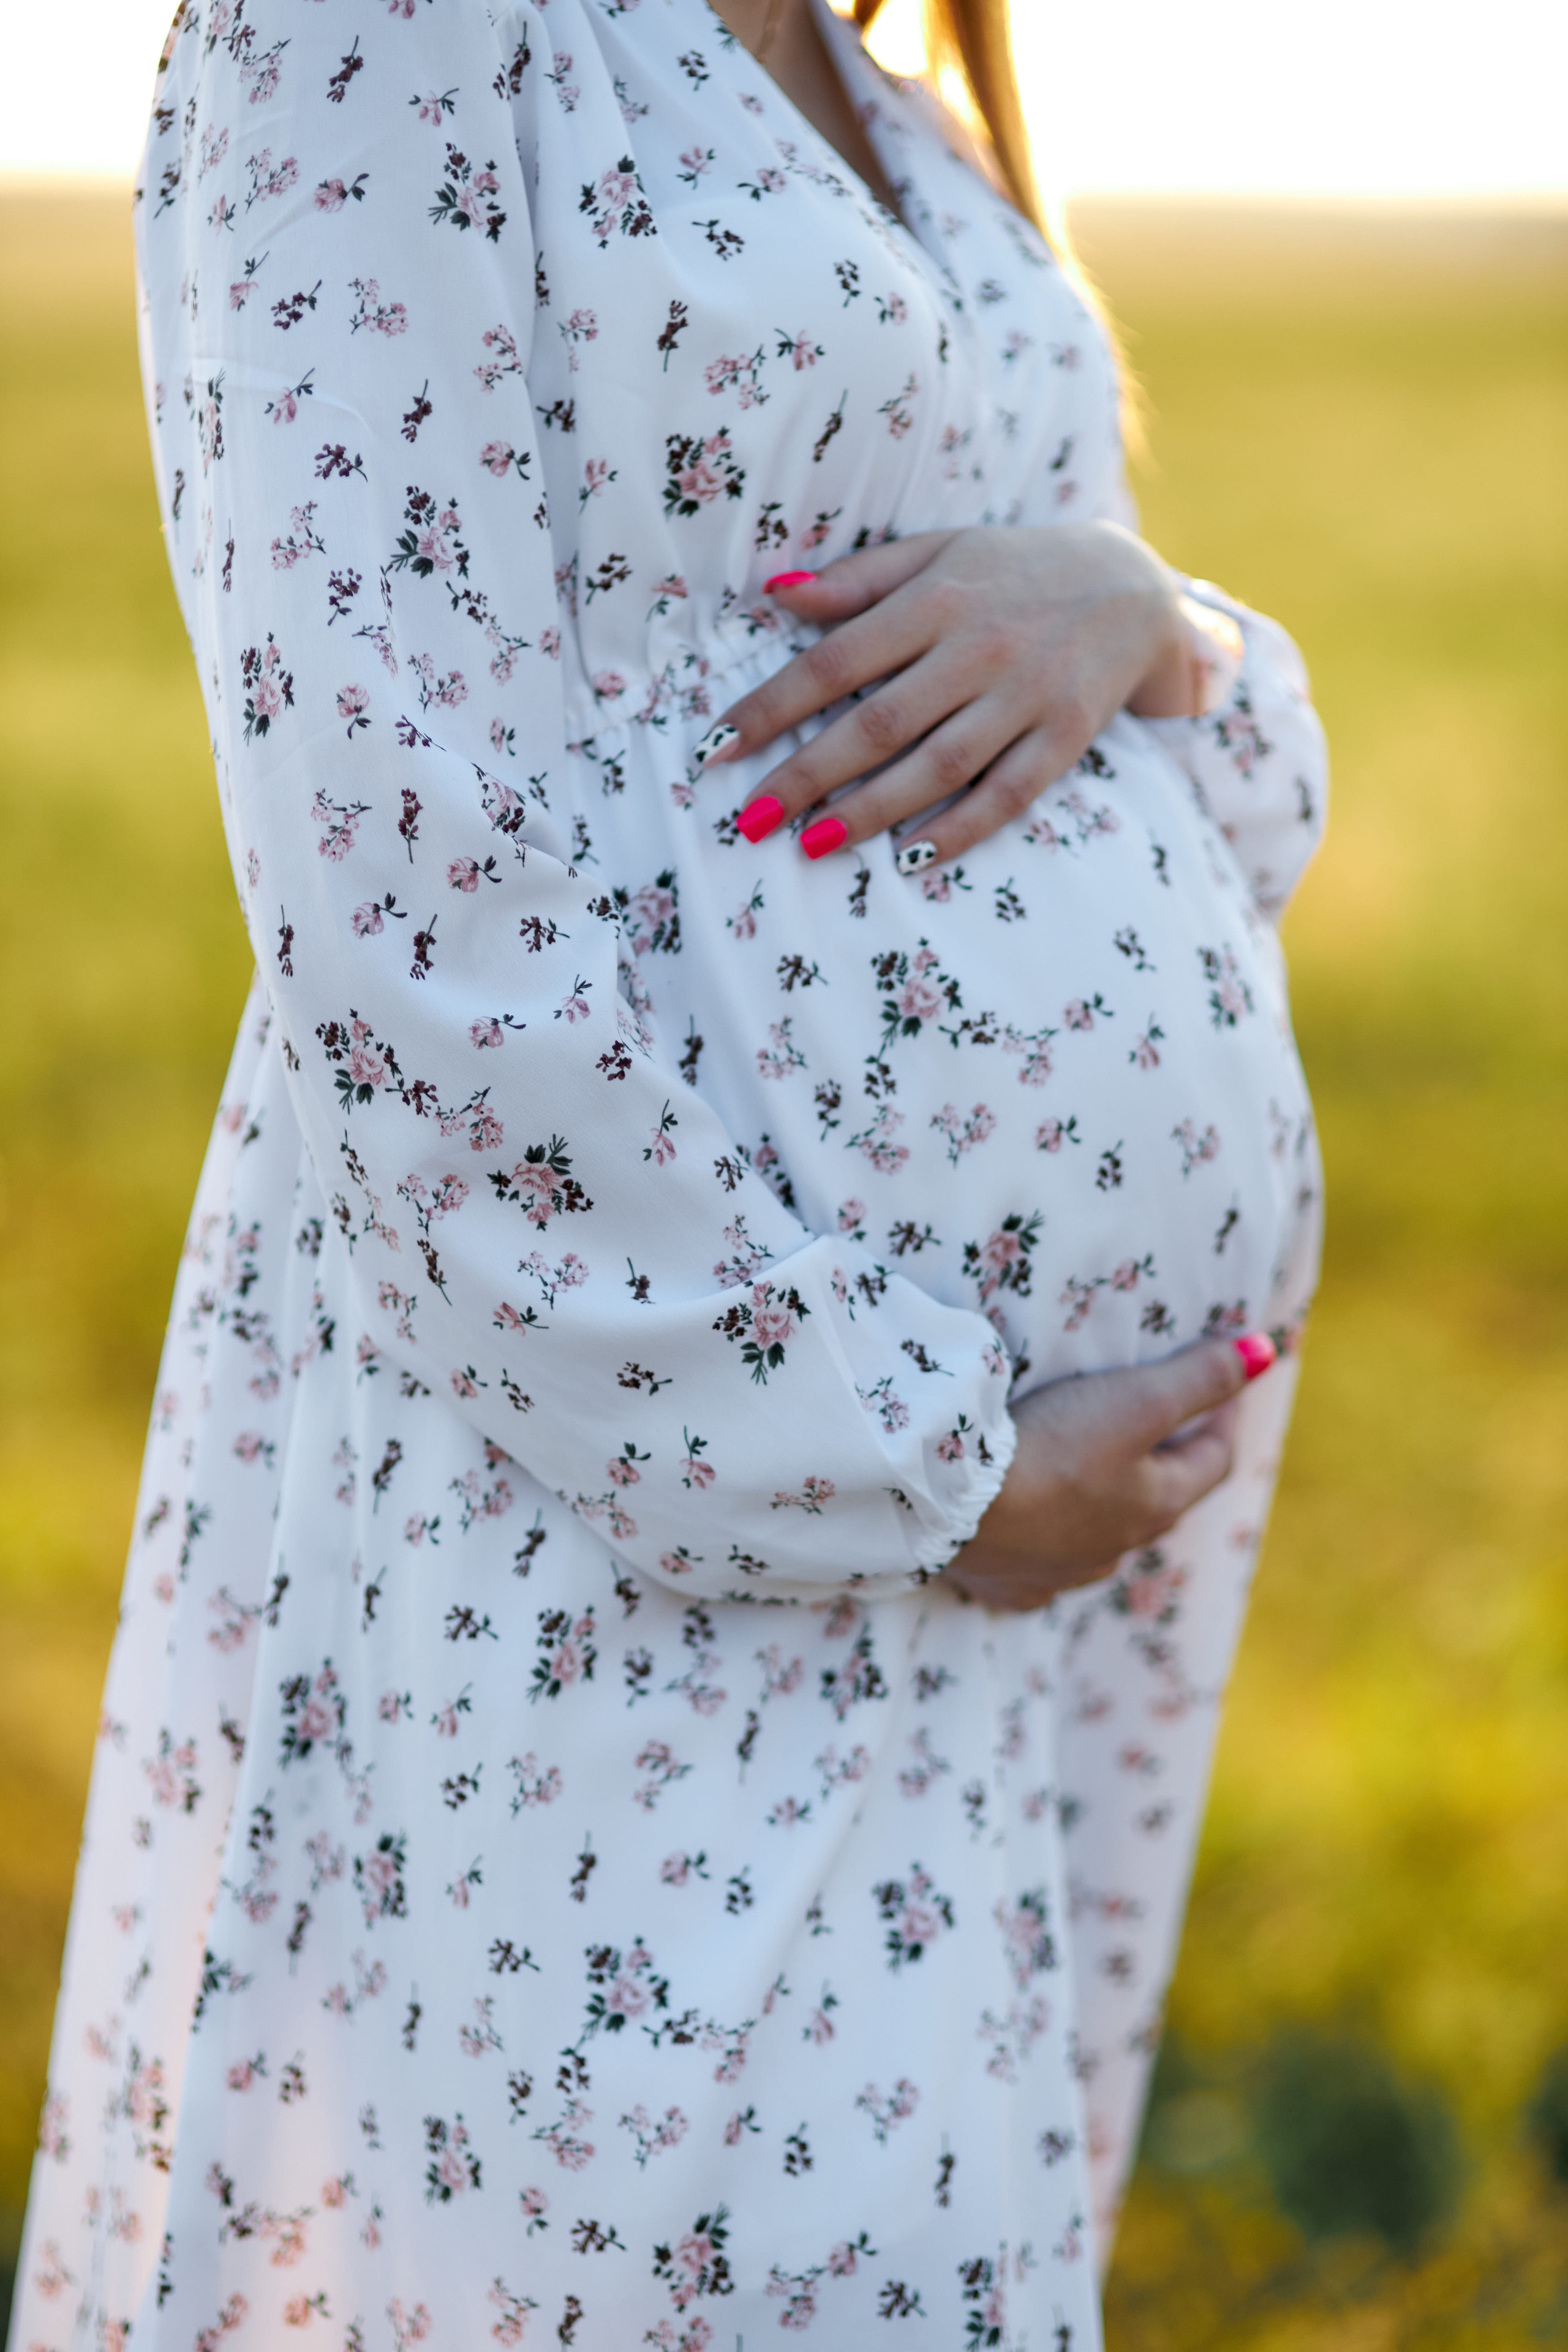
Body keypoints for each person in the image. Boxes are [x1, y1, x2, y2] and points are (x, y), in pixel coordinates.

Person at [9, 0, 1325, 2343]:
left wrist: (1156, 622)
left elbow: (1209, 792)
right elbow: (408, 916)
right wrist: (910, 1461)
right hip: (628, 1493)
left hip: (988, 1588)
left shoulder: (886, 80)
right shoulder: (373, 33)